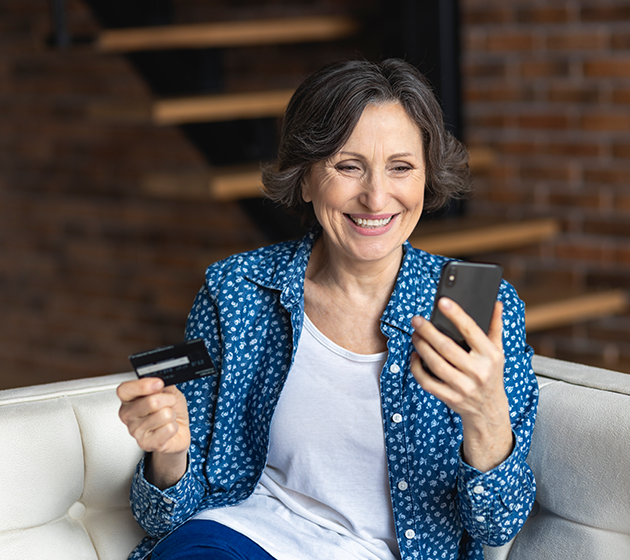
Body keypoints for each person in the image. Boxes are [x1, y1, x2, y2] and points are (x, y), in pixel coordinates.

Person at [116, 58, 538, 560]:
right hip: (238, 538)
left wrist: (486, 416)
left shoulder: (484, 313)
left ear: (427, 179)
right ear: (306, 178)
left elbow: (497, 527)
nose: (376, 196)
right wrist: (167, 453)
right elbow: (163, 514)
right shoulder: (237, 293)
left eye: (401, 167)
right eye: (348, 166)